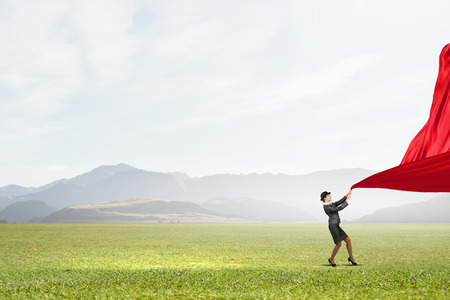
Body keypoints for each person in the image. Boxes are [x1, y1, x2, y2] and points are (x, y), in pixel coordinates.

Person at [321, 190, 357, 267]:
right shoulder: (327, 207)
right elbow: (339, 208)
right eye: (328, 195)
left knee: (348, 240)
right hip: (333, 226)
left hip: (337, 225)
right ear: (325, 198)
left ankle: (351, 258)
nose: (330, 196)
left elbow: (339, 202)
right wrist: (347, 201)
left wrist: (346, 195)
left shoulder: (331, 204)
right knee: (339, 244)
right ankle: (331, 259)